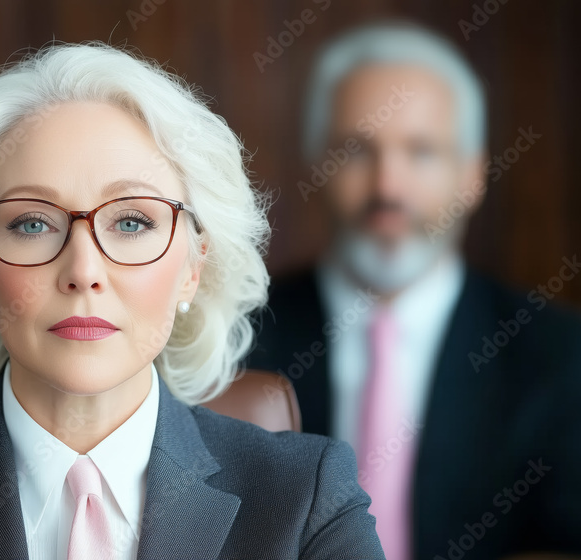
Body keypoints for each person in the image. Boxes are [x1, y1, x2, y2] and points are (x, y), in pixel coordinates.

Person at [0, 42, 384, 559]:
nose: (83, 272)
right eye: (32, 224)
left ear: (194, 267)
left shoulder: (309, 498)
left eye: (132, 223)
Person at [246, 23, 581, 559]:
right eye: (357, 150)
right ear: (317, 164)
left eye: (421, 151)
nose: (388, 187)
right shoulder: (238, 339)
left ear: (472, 176)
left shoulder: (561, 358)